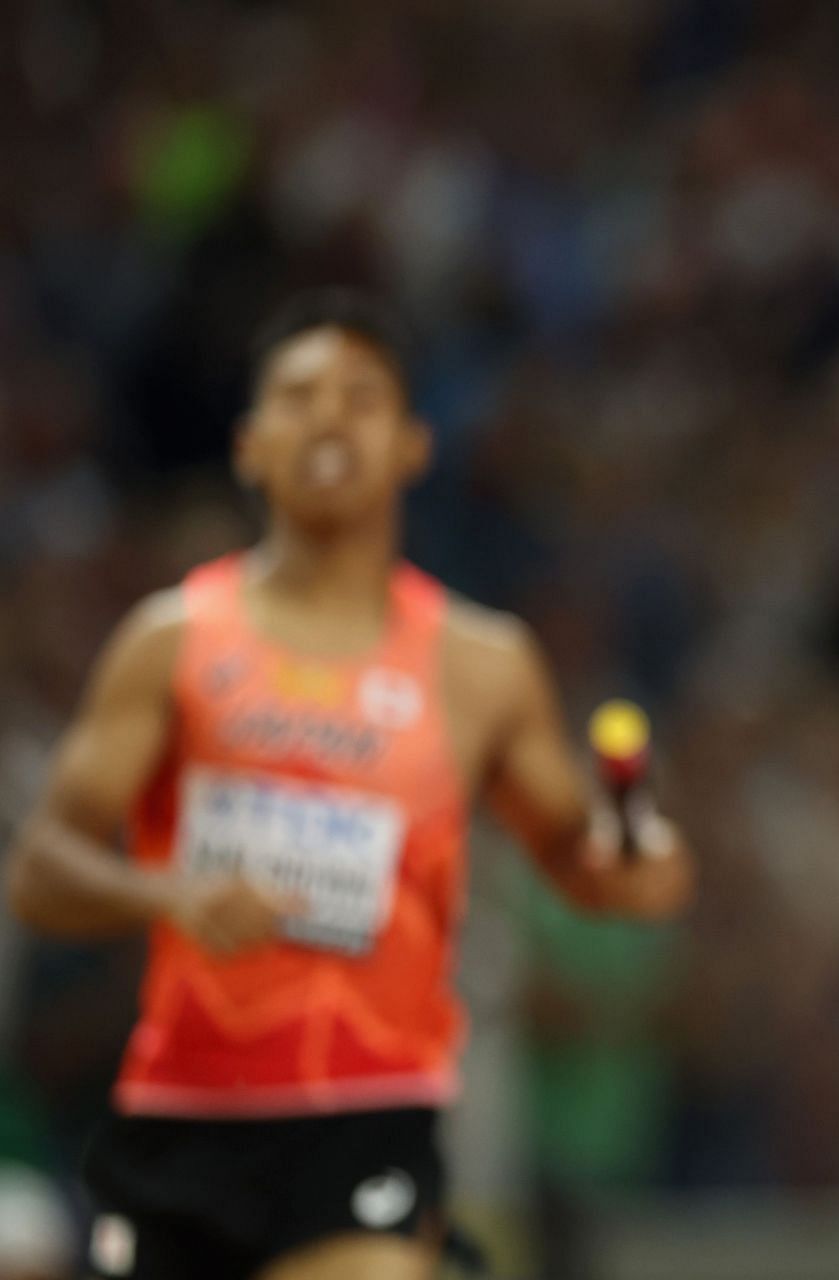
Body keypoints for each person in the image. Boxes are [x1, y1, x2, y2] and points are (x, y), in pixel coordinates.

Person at [5, 290, 693, 1280]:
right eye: (298, 396)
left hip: (371, 1108)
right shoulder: (171, 645)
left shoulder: (479, 662)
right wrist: (167, 893)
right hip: (187, 1111)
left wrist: (639, 860)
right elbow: (41, 871)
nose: (329, 418)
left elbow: (590, 865)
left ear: (414, 444)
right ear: (249, 444)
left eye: (361, 397)